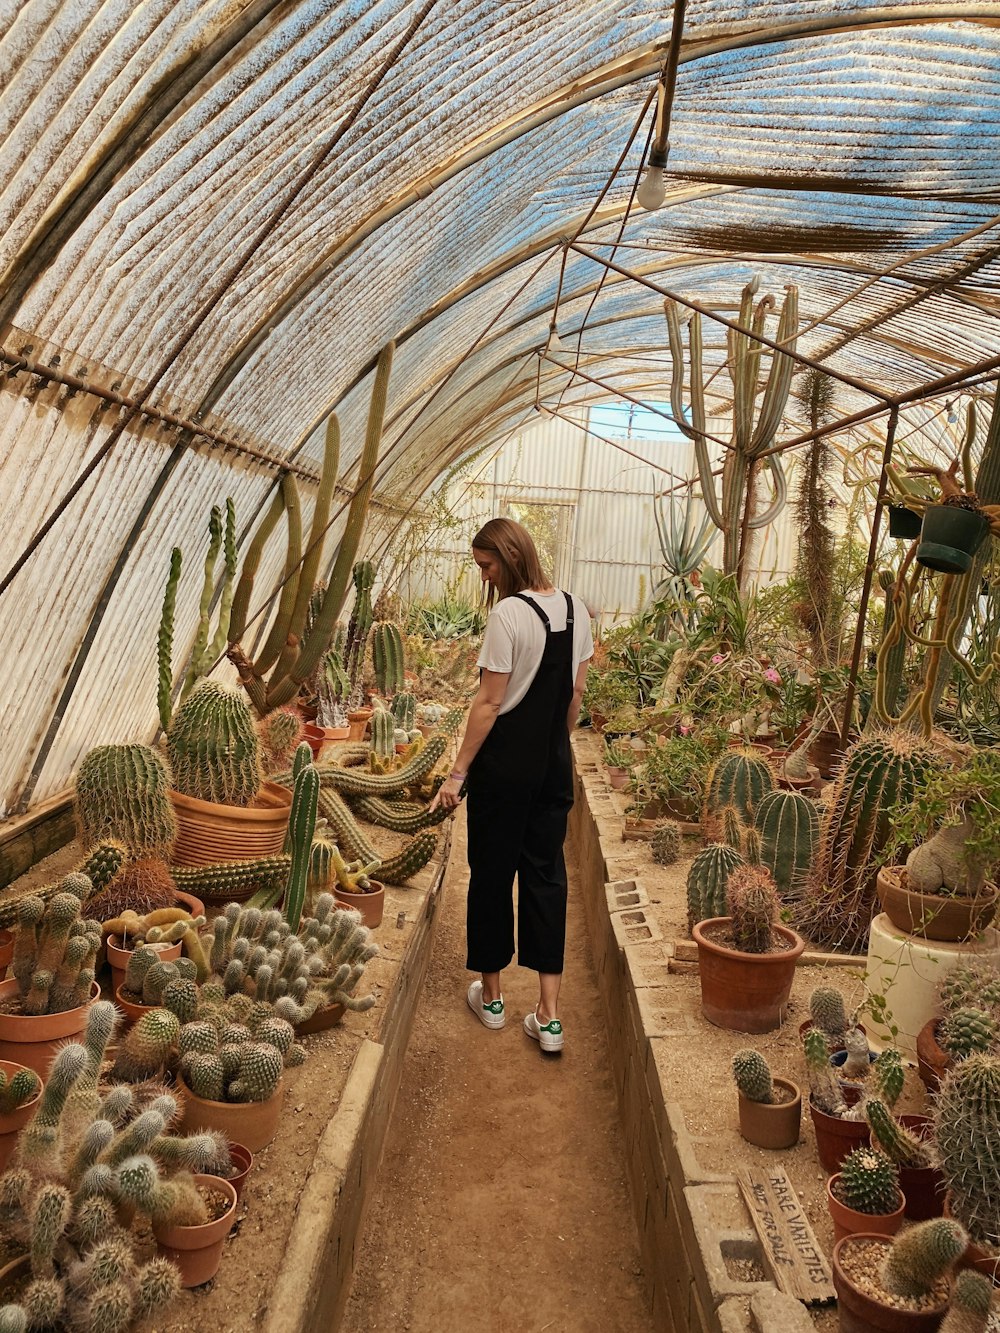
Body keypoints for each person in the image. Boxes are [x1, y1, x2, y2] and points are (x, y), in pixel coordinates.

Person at [430, 518, 593, 1053]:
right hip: (552, 763)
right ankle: (549, 1017)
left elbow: (490, 702)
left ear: (510, 556)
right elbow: (573, 700)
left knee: (493, 874)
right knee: (547, 878)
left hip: (504, 766)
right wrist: (554, 746)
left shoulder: (508, 615)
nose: (484, 577)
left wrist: (458, 774)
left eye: (487, 565)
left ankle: (494, 999)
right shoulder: (575, 609)